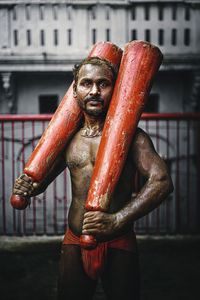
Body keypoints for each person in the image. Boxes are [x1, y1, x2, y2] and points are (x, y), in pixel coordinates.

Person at [13, 57, 173, 300]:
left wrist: (118, 220)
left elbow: (161, 182)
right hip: (75, 239)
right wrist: (26, 187)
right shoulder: (68, 140)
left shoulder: (132, 138)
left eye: (103, 84)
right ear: (75, 91)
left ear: (115, 89)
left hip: (118, 238)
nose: (95, 91)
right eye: (86, 84)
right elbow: (40, 183)